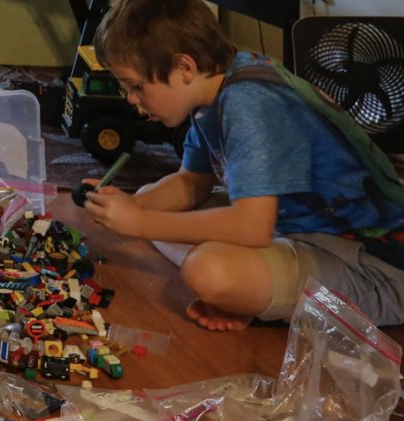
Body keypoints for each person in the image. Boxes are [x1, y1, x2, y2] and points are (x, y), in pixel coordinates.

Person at [81, 0, 404, 331]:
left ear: (184, 67)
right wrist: (129, 206)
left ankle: (252, 295)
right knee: (149, 196)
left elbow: (252, 227)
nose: (131, 99)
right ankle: (254, 292)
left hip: (375, 266)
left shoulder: (249, 102)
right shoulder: (215, 87)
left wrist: (139, 222)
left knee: (207, 271)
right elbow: (191, 182)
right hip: (294, 226)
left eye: (136, 86)